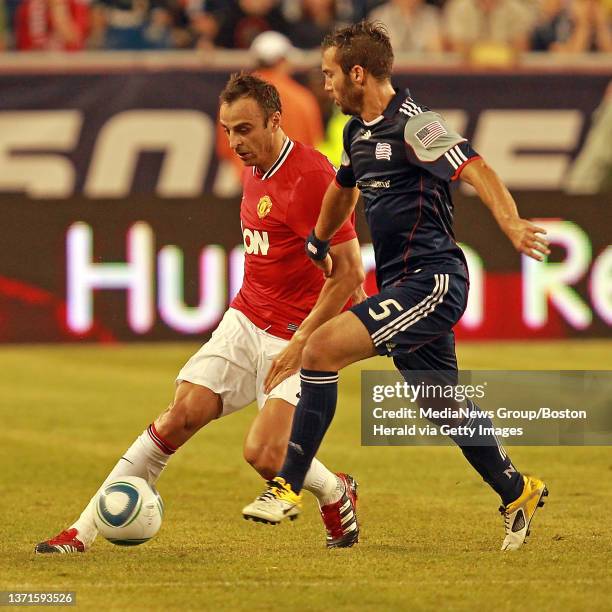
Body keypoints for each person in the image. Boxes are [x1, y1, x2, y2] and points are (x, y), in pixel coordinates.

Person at [243, 21, 550, 551]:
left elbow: (476, 169)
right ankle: (516, 489)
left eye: (331, 74)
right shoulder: (357, 133)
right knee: (441, 403)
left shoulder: (415, 124)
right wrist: (317, 241)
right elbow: (344, 190)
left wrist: (512, 223)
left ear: (357, 73)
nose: (326, 85)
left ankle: (288, 485)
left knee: (319, 350)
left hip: (432, 283)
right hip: (404, 284)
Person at [35, 73, 365, 554]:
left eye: (245, 129)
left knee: (265, 454)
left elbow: (351, 274)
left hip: (299, 333)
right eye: (228, 129)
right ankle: (80, 532)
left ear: (277, 121)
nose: (234, 142)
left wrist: (301, 343)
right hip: (245, 318)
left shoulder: (312, 177)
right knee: (178, 417)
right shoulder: (254, 169)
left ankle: (335, 491)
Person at [215, 31, 325, 197]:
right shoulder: (303, 99)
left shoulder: (234, 100)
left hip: (249, 186)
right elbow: (313, 145)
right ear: (282, 61)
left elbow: (225, 149)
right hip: (293, 188)